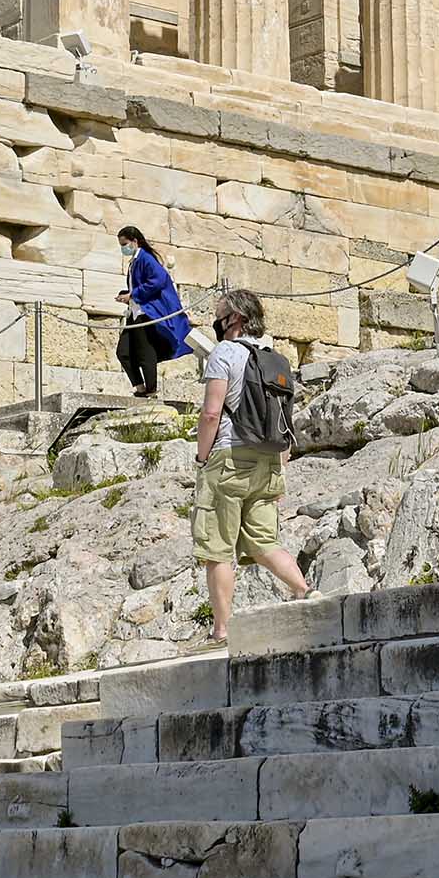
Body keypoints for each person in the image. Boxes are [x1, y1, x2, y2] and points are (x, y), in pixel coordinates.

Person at [192, 288, 312, 644]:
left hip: (229, 458)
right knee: (264, 542)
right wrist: (281, 464)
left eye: (220, 314)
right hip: (268, 460)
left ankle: (222, 630)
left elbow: (212, 412)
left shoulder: (223, 354)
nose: (216, 321)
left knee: (217, 549)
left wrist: (202, 458)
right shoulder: (276, 359)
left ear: (236, 319)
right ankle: (306, 591)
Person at [114, 226, 193, 398]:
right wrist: (126, 295)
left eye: (125, 244)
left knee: (145, 352)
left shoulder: (146, 259)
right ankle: (140, 386)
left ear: (135, 241)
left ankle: (150, 390)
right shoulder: (135, 261)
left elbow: (158, 280)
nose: (123, 248)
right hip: (136, 312)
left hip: (145, 313)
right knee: (124, 352)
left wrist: (133, 294)